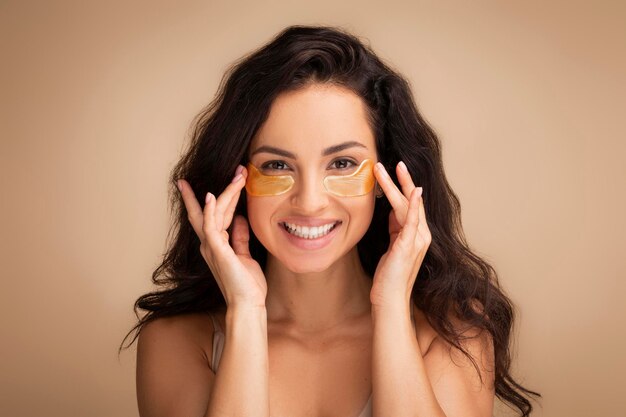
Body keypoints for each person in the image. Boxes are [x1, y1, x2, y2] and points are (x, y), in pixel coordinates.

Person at [121, 25, 539, 417]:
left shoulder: (455, 339)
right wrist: (246, 311)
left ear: (387, 177)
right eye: (278, 165)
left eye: (342, 163)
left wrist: (391, 306)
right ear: (238, 178)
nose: (309, 201)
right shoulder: (176, 342)